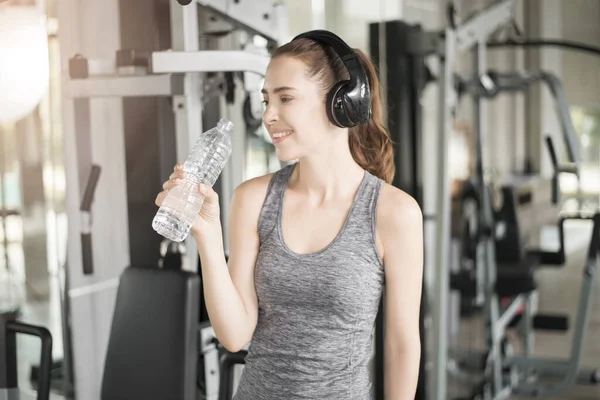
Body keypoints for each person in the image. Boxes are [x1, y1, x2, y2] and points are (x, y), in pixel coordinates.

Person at [155, 30, 424, 400]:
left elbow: (402, 346)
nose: (268, 115)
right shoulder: (252, 199)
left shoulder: (394, 213)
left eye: (285, 98)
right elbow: (234, 336)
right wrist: (207, 238)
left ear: (339, 103)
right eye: (266, 100)